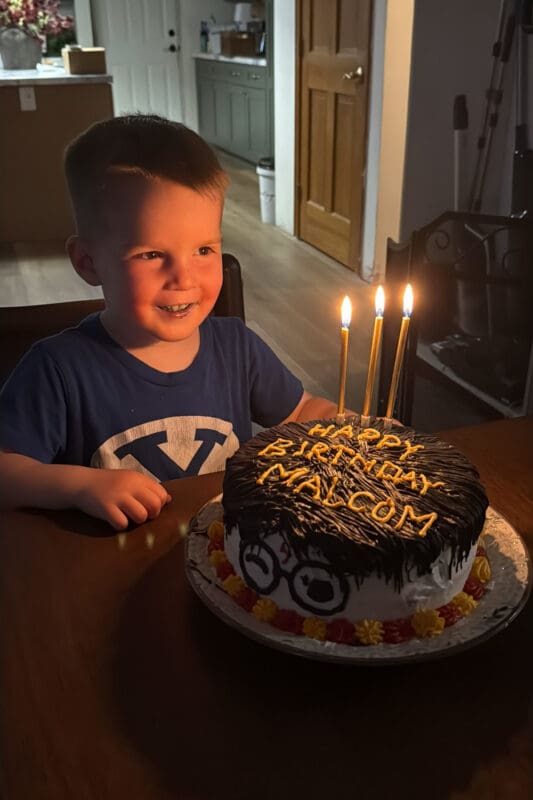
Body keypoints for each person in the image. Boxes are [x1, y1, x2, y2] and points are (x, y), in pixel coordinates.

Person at [0, 114, 340, 531]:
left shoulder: (236, 346)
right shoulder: (58, 370)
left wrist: (351, 425)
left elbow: (301, 411)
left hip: (228, 555)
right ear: (89, 262)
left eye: (203, 250)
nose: (184, 279)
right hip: (110, 572)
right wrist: (78, 485)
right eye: (151, 254)